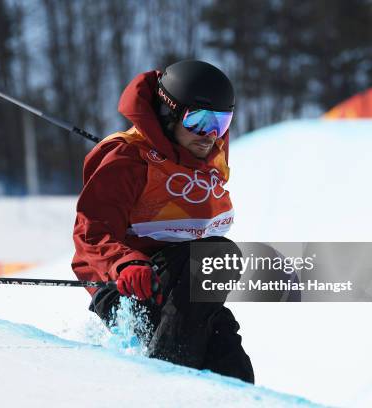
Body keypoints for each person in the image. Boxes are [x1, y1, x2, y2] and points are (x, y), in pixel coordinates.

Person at [72, 60, 254, 383]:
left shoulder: (205, 158)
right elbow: (91, 232)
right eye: (198, 120)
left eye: (221, 123)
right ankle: (161, 386)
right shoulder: (127, 161)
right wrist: (125, 264)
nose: (210, 135)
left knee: (232, 365)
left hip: (183, 291)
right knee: (219, 257)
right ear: (170, 114)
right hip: (129, 289)